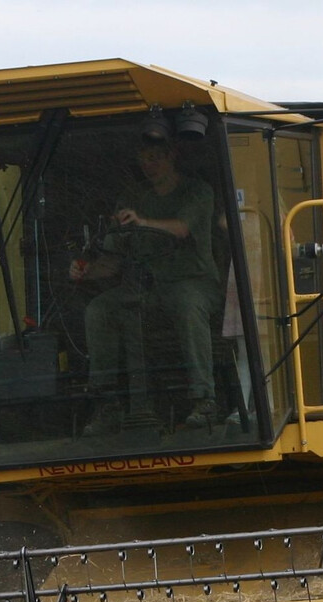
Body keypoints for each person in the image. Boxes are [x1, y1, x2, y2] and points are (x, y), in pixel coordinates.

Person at [71, 137, 219, 434]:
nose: (148, 165)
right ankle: (107, 402)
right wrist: (84, 271)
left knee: (187, 306)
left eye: (155, 158)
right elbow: (113, 261)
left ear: (171, 155)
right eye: (143, 159)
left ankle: (205, 399)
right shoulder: (133, 196)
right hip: (145, 288)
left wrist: (142, 222)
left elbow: (181, 228)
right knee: (100, 309)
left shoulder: (197, 191)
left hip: (193, 282)